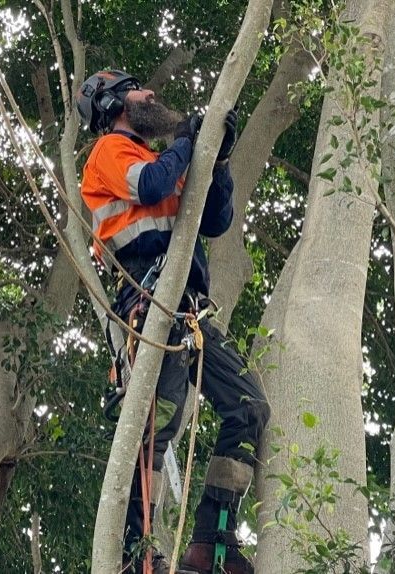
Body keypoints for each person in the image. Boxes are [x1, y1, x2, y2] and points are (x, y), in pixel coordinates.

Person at [76, 69, 270, 574]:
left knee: (248, 406)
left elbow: (214, 220)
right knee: (159, 424)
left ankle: (211, 539)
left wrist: (219, 159)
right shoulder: (111, 154)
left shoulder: (164, 158)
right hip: (148, 295)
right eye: (139, 89)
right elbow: (151, 186)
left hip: (191, 306)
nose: (151, 94)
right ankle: (135, 555)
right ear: (115, 102)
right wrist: (187, 140)